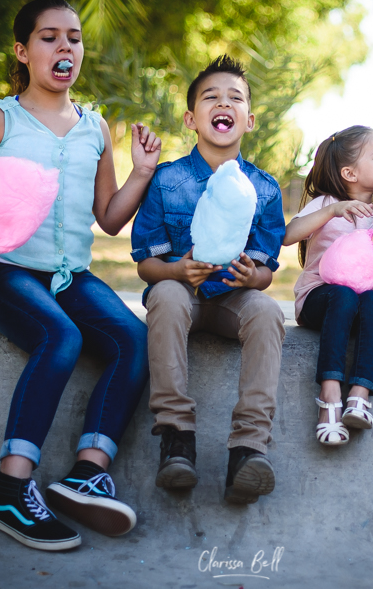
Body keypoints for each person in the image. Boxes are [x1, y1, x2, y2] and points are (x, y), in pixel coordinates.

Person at [0, 0, 161, 550]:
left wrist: (141, 173)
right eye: (49, 37)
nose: (65, 46)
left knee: (134, 340)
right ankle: (10, 489)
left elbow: (109, 218)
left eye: (75, 36)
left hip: (72, 277)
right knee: (60, 335)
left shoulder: (95, 126)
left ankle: (88, 470)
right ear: (22, 52)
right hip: (7, 272)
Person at [130, 55, 286, 504]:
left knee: (267, 313)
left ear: (249, 120)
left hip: (232, 302)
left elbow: (264, 273)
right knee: (165, 294)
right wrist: (179, 270)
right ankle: (177, 437)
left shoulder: (265, 189)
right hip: (183, 297)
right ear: (191, 118)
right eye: (211, 97)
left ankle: (249, 448)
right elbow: (147, 264)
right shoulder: (167, 181)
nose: (224, 103)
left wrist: (249, 276)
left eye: (235, 98)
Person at [283, 126, 373, 446]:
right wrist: (333, 210)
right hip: (317, 299)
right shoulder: (327, 203)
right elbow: (288, 235)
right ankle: (330, 398)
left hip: (359, 307)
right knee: (343, 294)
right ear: (349, 172)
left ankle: (359, 396)